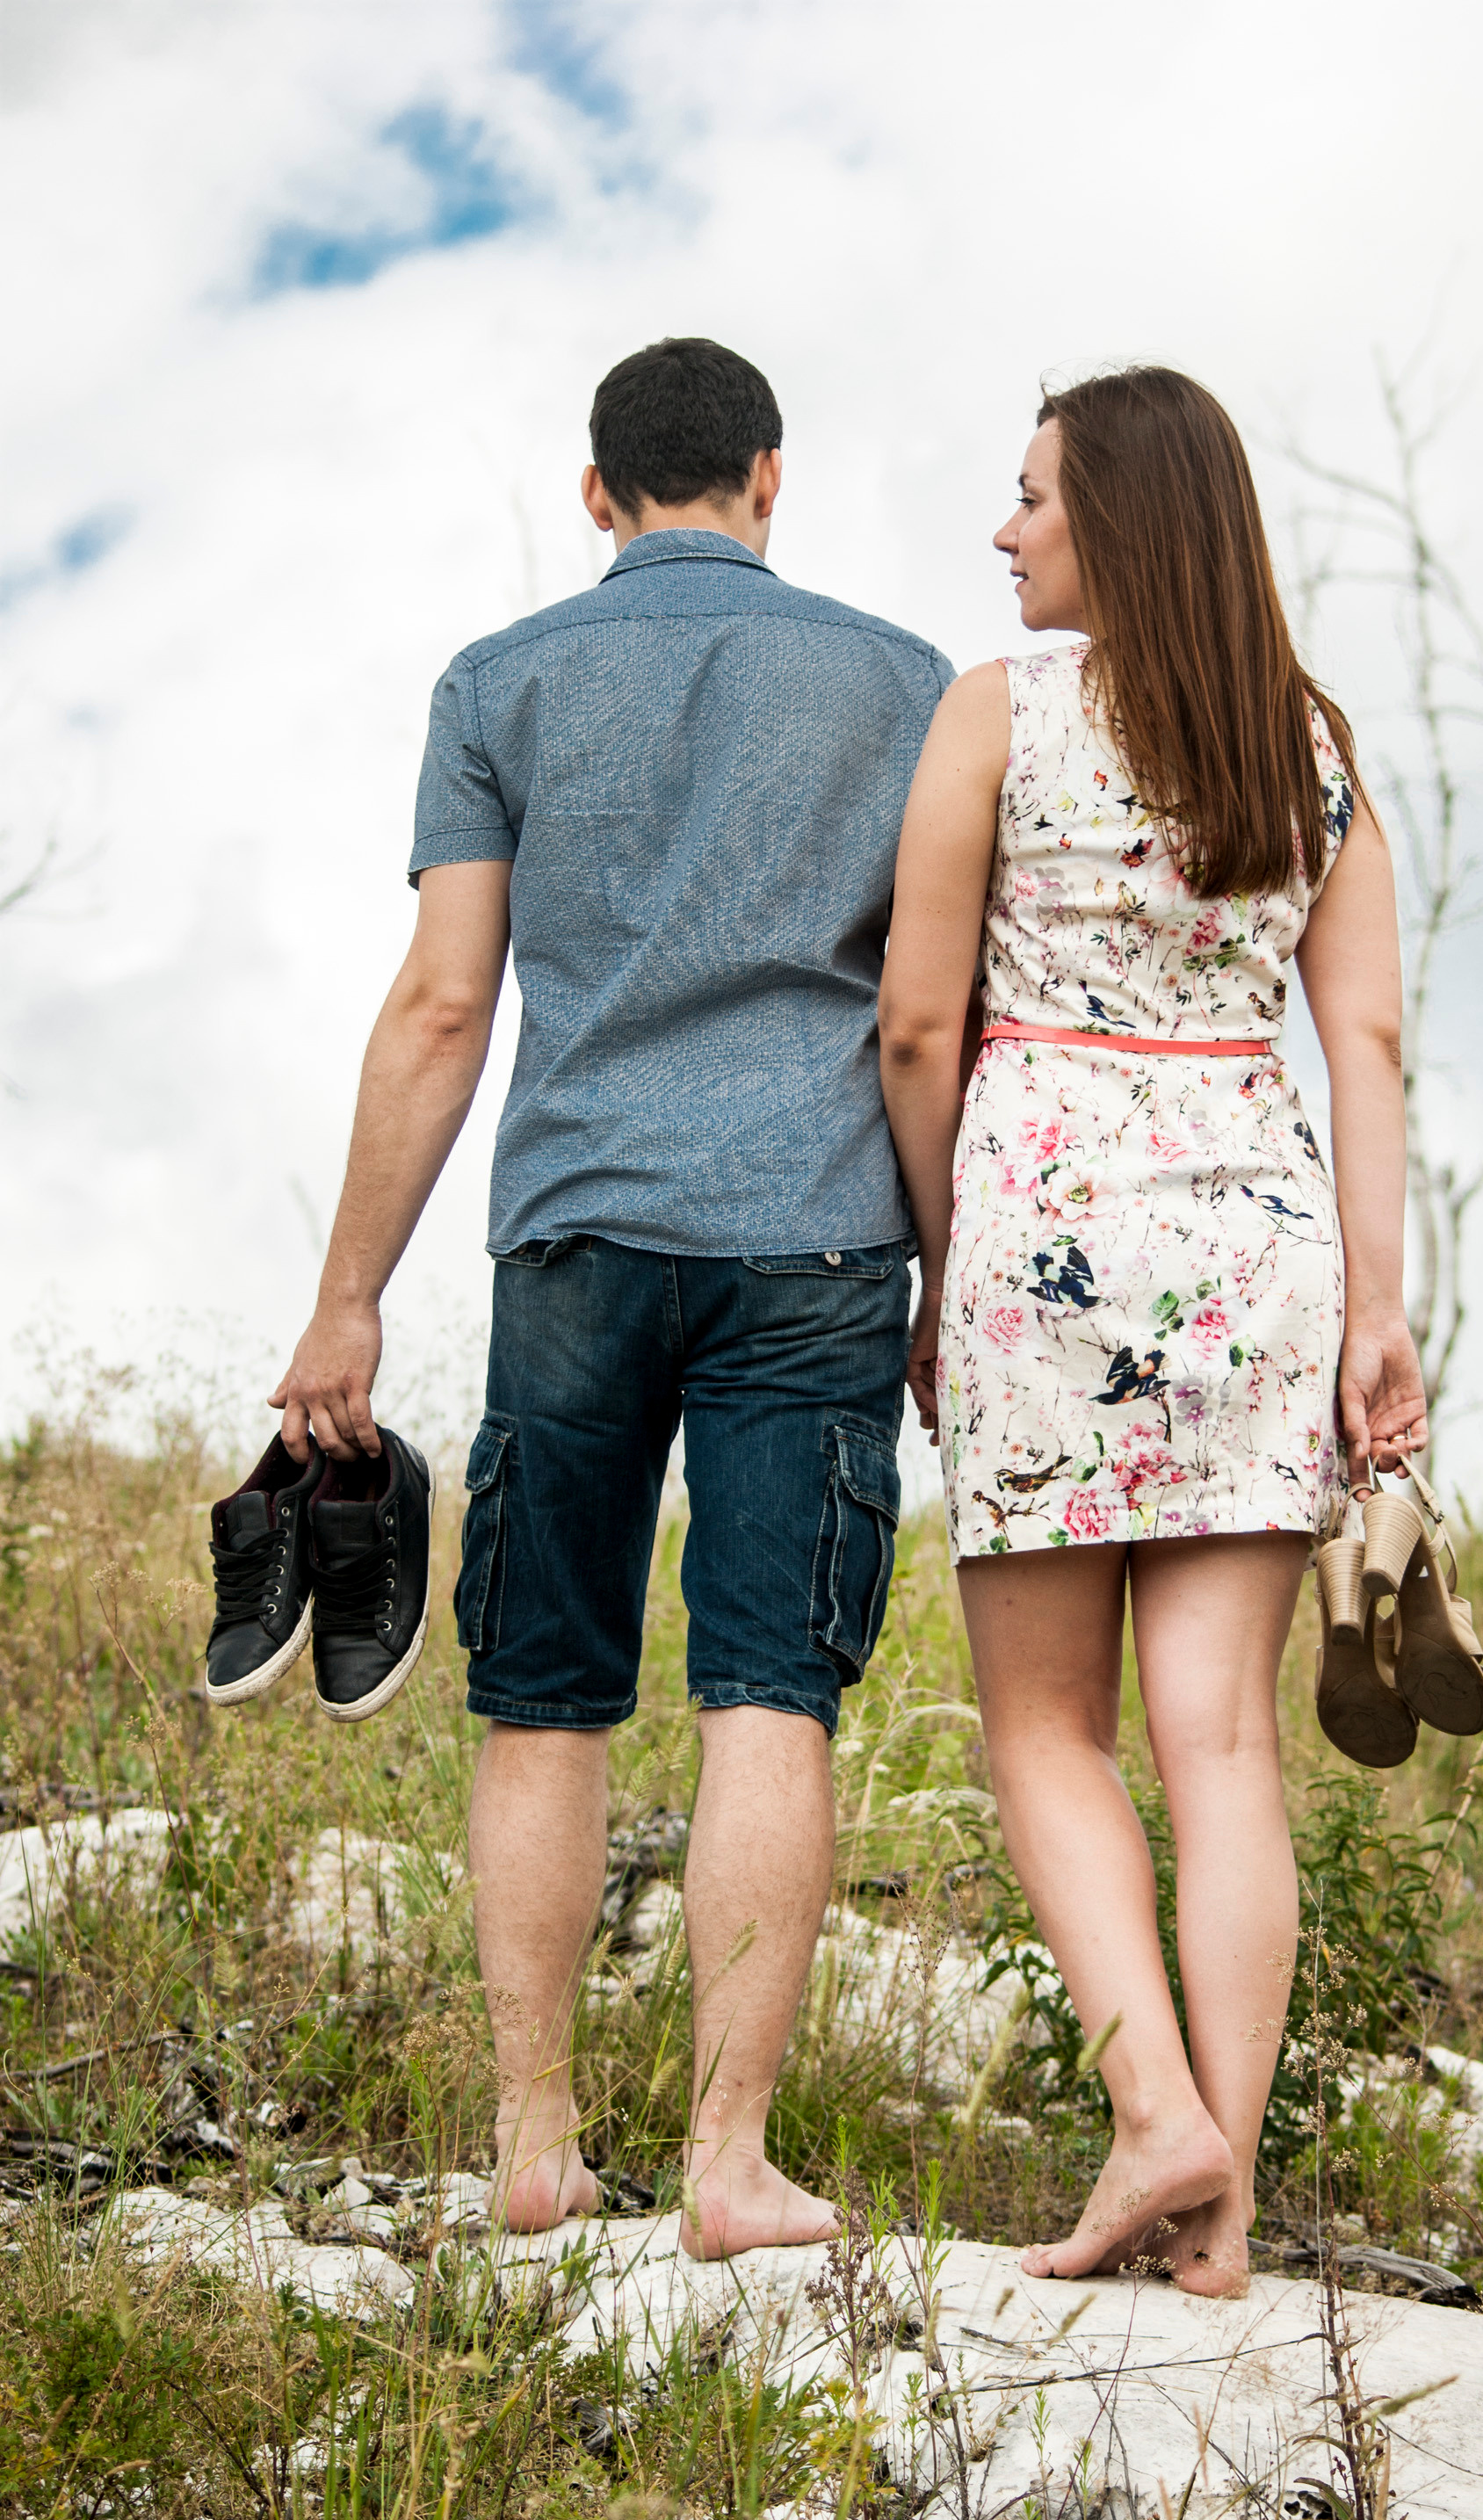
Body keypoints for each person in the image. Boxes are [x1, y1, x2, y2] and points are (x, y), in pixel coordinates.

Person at [271, 337, 953, 2254]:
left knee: (544, 1697)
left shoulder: (500, 683)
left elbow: (441, 1002)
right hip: (818, 1233)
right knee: (770, 1699)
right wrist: (941, 1259)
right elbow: (932, 1006)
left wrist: (350, 1297)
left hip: (576, 1231)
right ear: (768, 474)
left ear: (597, 493)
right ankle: (731, 2166)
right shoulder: (906, 684)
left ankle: (535, 2141)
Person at [878, 366, 1426, 2294]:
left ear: (1115, 513)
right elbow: (1361, 1041)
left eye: (1031, 495)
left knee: (1044, 1724)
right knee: (1226, 1751)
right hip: (1264, 1250)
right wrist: (1382, 1305)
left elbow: (919, 1028)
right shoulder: (1313, 742)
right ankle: (1227, 2212)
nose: (1008, 529)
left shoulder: (996, 717)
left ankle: (1151, 2116)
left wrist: (950, 1271)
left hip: (1045, 1239)